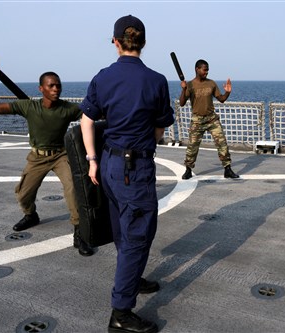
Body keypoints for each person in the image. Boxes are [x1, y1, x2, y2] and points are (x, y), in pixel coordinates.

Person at [80, 15, 174, 333]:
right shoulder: (157, 81)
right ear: (143, 43)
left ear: (116, 42)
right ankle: (120, 312)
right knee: (137, 235)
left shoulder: (103, 77)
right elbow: (160, 130)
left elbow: (86, 121)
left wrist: (93, 161)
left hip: (108, 163)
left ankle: (131, 277)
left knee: (123, 227)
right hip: (136, 168)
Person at [0, 56, 94, 256]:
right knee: (23, 194)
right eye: (51, 86)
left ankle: (80, 233)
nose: (56, 89)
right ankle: (31, 215)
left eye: (58, 85)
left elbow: (93, 115)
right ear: (41, 89)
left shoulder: (68, 109)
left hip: (60, 155)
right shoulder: (28, 106)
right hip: (37, 157)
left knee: (73, 190)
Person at [179, 59, 239, 180]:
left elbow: (221, 99)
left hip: (212, 119)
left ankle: (227, 169)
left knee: (222, 143)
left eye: (207, 70)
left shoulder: (211, 83)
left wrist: (227, 92)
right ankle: (188, 170)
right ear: (197, 69)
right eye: (204, 70)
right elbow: (181, 103)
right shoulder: (190, 85)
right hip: (197, 120)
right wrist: (184, 89)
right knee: (192, 146)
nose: (206, 72)